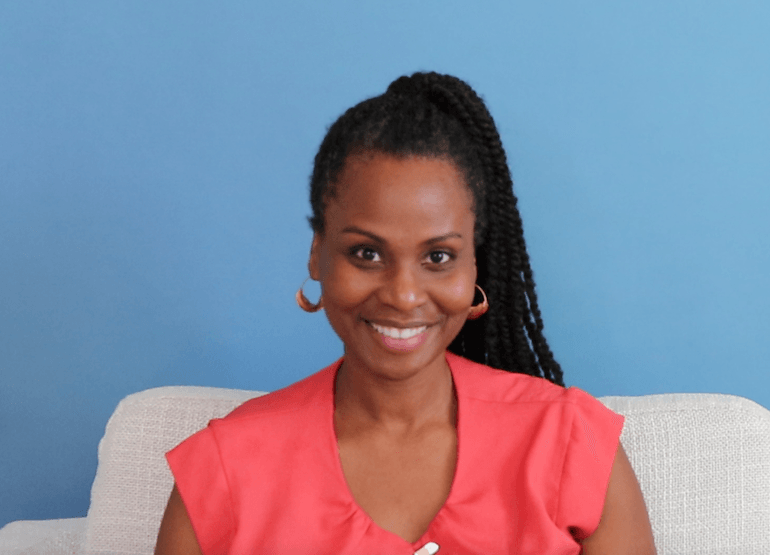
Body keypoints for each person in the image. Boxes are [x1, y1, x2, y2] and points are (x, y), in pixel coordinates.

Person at [154, 71, 656, 555]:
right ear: (317, 255)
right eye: (367, 254)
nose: (403, 295)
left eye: (437, 257)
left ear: (473, 264)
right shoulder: (223, 471)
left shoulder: (572, 444)